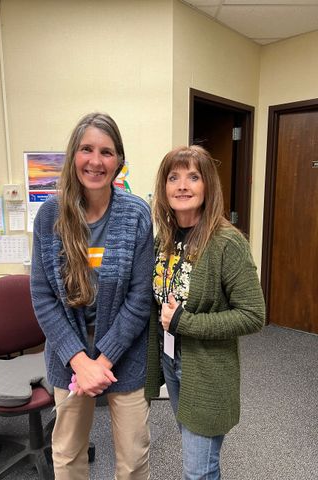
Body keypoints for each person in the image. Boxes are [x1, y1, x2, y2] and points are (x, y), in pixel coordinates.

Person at [31, 112, 154, 480]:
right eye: (87, 149)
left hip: (126, 354)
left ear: (119, 161)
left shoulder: (136, 214)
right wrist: (79, 360)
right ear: (74, 155)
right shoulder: (50, 215)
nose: (96, 161)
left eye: (106, 151)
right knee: (67, 453)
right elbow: (42, 297)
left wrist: (104, 358)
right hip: (68, 357)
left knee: (133, 456)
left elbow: (139, 296)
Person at [145, 145, 265, 480]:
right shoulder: (165, 239)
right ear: (164, 187)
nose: (182, 185)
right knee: (199, 453)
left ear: (207, 186)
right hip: (172, 361)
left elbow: (254, 315)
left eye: (193, 177)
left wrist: (186, 322)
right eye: (174, 177)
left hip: (208, 371)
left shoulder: (227, 242)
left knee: (197, 469)